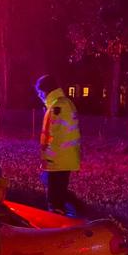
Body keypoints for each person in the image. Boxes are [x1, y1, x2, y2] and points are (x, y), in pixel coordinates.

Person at [35, 74, 80, 216]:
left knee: (55, 200)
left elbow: (56, 137)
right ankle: (69, 217)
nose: (39, 96)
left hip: (57, 162)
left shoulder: (57, 107)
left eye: (40, 92)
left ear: (46, 91)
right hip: (65, 160)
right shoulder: (65, 104)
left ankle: (59, 225)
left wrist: (47, 160)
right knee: (59, 194)